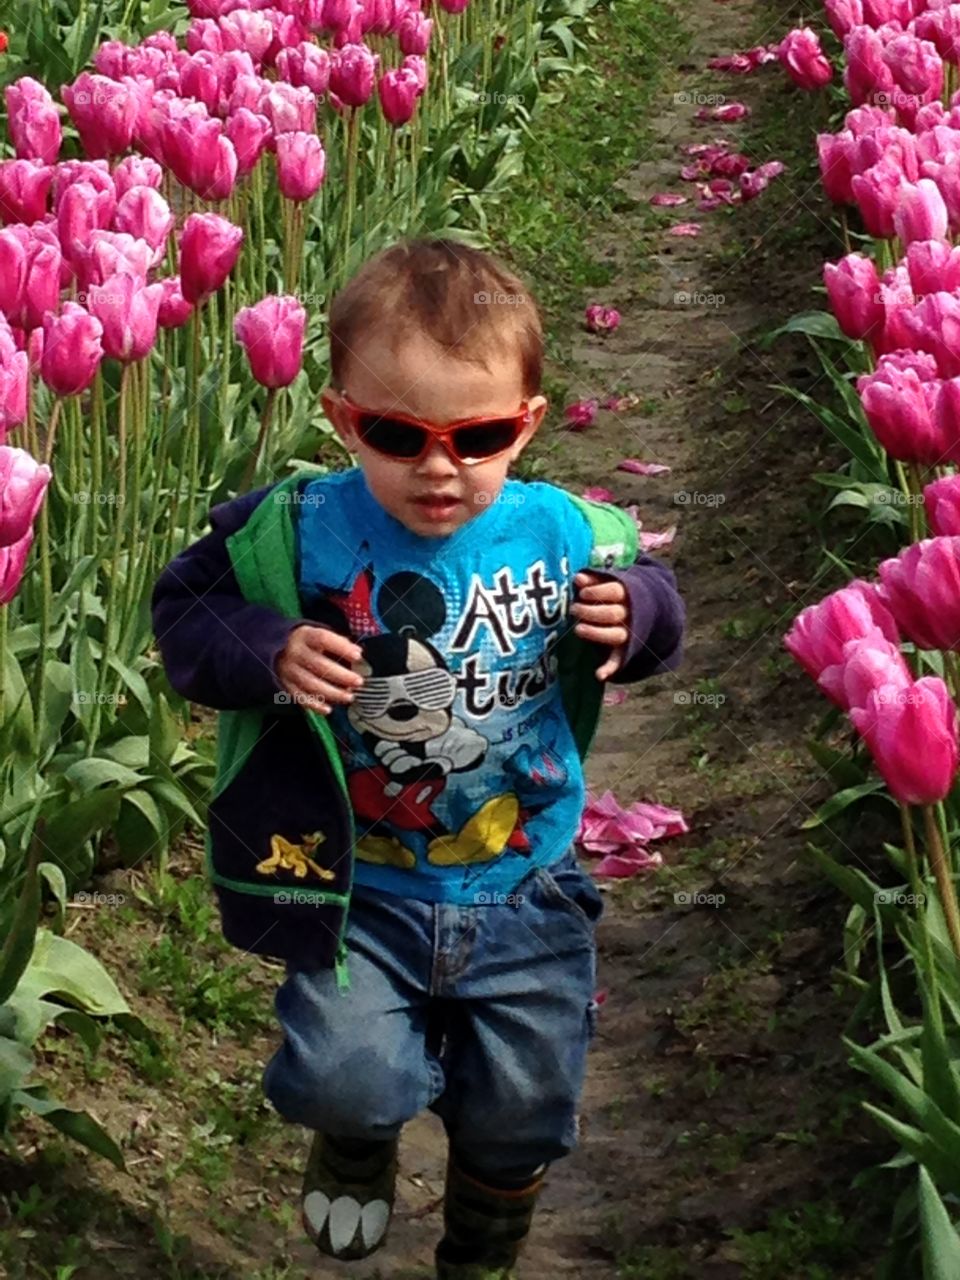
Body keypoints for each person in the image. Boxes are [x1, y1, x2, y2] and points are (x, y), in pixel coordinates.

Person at [151, 236, 685, 1280]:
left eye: (479, 434)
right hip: (361, 885)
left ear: (527, 422)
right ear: (343, 416)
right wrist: (268, 647)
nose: (440, 467)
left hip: (526, 878)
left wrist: (643, 615)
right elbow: (187, 609)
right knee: (342, 1072)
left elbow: (655, 598)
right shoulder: (298, 528)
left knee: (526, 1101)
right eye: (399, 433)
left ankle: (485, 1234)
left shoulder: (566, 533)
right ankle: (357, 1134)